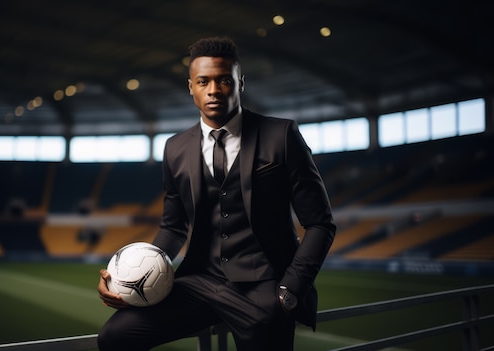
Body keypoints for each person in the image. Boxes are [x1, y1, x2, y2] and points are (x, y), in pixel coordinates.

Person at [97, 36, 336, 351]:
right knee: (114, 337)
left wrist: (289, 290)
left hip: (264, 286)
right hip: (198, 282)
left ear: (240, 82)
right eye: (203, 81)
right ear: (191, 87)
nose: (213, 90)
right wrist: (132, 279)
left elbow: (320, 223)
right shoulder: (175, 148)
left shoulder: (281, 135)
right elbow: (173, 227)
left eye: (224, 80)